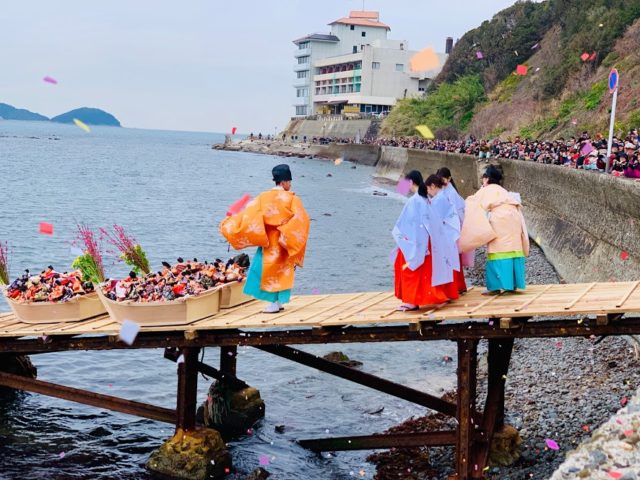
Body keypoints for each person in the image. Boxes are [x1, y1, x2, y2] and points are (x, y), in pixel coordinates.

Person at [220, 164, 310, 313]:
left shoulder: (263, 198)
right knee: (281, 272)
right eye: (289, 181)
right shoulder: (293, 199)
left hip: (269, 242)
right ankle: (277, 302)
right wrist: (286, 232)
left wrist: (230, 223)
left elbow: (249, 215)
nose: (290, 184)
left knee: (263, 271)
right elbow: (302, 220)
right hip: (285, 240)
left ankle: (274, 303)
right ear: (283, 182)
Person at [391, 171, 458, 311]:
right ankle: (421, 298)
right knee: (424, 271)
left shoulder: (415, 200)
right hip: (426, 240)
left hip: (416, 240)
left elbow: (409, 223)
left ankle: (411, 300)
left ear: (411, 182)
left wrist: (404, 239)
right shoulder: (424, 198)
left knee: (410, 269)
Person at [459, 166, 529, 295]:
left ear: (487, 179)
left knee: (498, 251)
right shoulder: (503, 190)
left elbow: (472, 203)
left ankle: (496, 286)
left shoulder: (486, 190)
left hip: (499, 220)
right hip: (514, 218)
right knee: (512, 248)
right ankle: (511, 285)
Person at [424, 174, 465, 297]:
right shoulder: (444, 195)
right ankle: (452, 290)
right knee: (448, 264)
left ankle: (447, 292)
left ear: (432, 186)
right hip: (447, 234)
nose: (428, 192)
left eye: (428, 189)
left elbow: (433, 219)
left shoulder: (439, 199)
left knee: (444, 265)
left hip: (443, 235)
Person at [436, 167, 469, 292]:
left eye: (442, 178)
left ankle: (456, 286)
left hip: (451, 229)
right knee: (452, 259)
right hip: (447, 229)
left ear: (449, 178)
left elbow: (457, 213)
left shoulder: (451, 193)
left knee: (452, 258)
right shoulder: (444, 191)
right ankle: (457, 285)